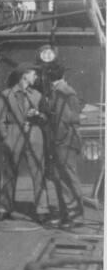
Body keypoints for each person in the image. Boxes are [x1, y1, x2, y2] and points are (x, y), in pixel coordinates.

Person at [0, 62, 46, 222]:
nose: (35, 76)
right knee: (9, 173)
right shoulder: (6, 95)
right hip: (13, 135)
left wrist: (38, 114)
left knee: (38, 173)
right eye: (33, 73)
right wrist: (6, 138)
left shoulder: (37, 95)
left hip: (34, 135)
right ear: (24, 74)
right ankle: (4, 208)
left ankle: (42, 210)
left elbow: (46, 117)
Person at [44, 63, 85, 227]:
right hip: (62, 141)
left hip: (64, 142)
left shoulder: (63, 92)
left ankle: (76, 216)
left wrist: (58, 139)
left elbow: (67, 119)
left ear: (49, 76)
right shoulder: (59, 90)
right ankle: (67, 214)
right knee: (61, 178)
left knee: (68, 178)